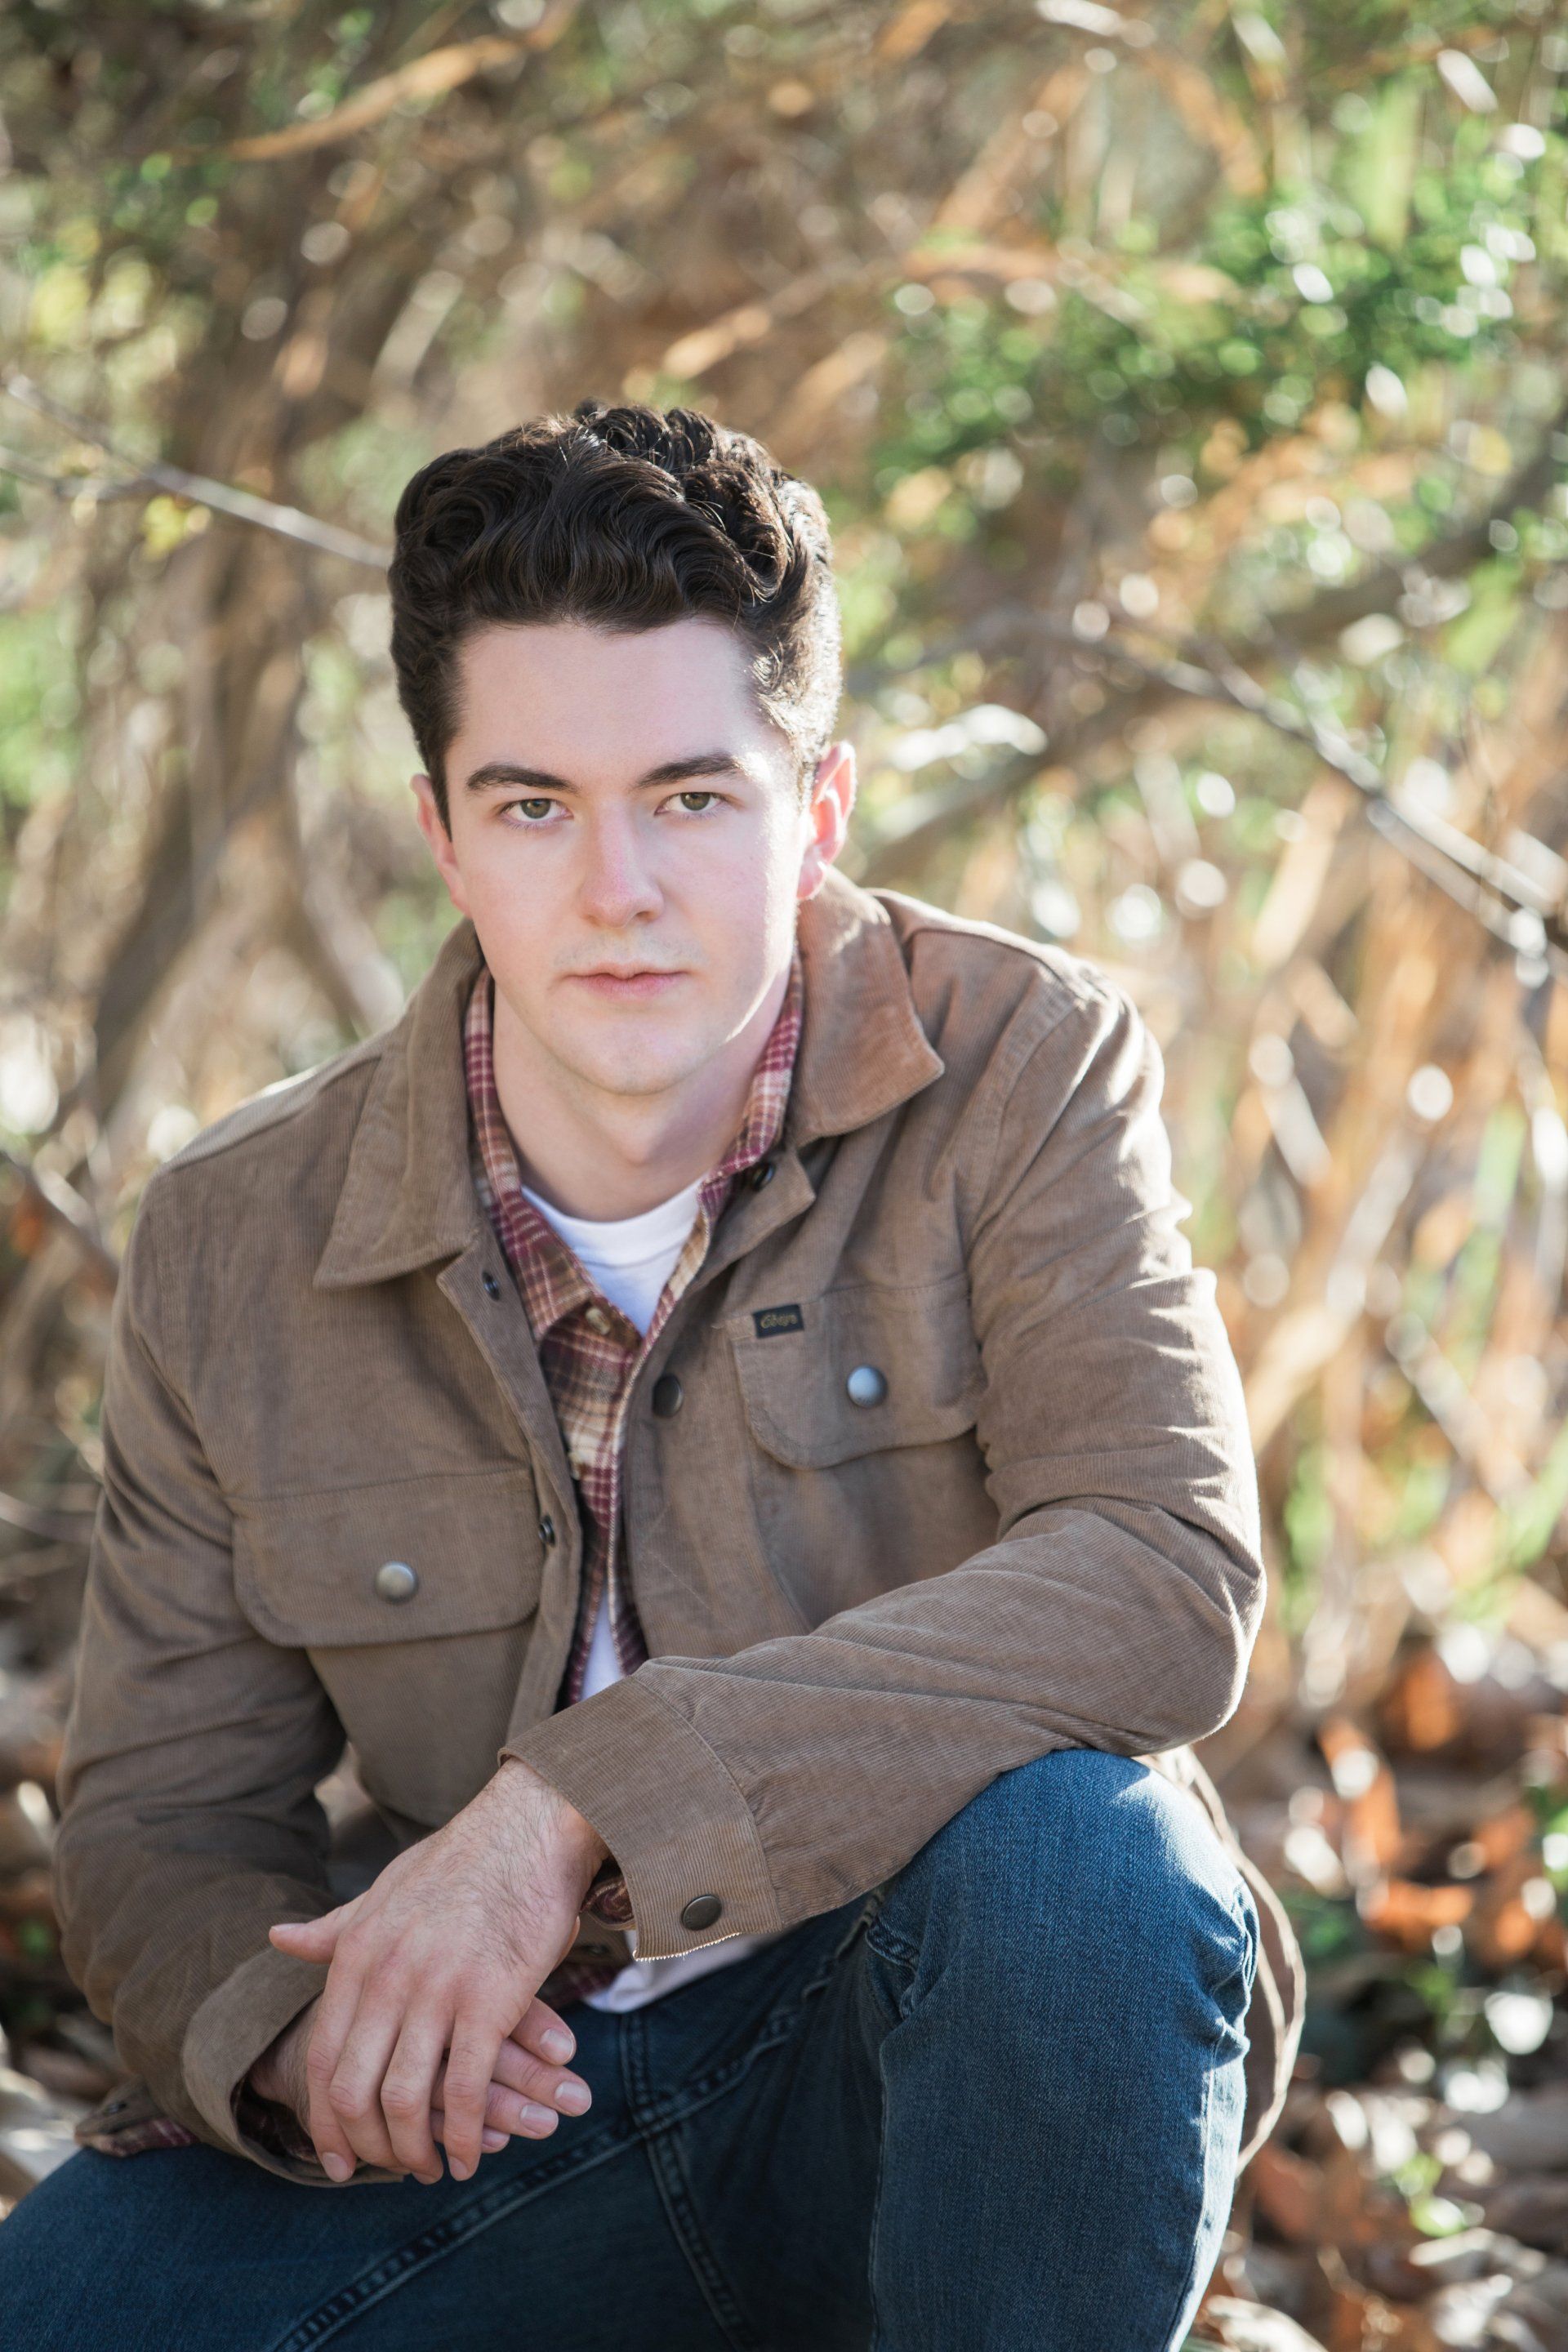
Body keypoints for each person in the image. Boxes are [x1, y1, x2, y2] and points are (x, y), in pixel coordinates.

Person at [0, 401, 1303, 2350]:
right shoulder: (236, 1236)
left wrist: (571, 1807)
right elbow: (165, 1829)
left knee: (1084, 1864)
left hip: (912, 2072)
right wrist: (300, 2051)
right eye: (536, 806)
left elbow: (1163, 1566)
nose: (617, 888)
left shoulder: (1026, 1068)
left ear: (821, 810)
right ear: (442, 829)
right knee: (80, 2304)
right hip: (500, 2127)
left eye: (693, 798)